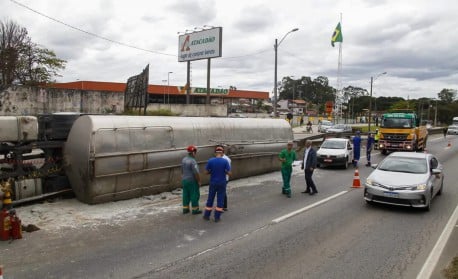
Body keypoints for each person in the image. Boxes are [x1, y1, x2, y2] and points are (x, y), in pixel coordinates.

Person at [203, 146, 231, 222]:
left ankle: (206, 215)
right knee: (220, 200)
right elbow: (229, 173)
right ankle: (217, 217)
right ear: (222, 153)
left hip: (213, 183)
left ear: (215, 153)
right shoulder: (225, 161)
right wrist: (224, 171)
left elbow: (205, 172)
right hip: (222, 183)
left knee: (210, 198)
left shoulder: (210, 161)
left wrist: (211, 171)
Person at [181, 145, 202, 215]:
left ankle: (185, 209)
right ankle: (195, 210)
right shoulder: (193, 161)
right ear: (193, 152)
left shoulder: (184, 159)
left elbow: (182, 170)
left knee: (185, 194)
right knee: (194, 194)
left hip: (184, 180)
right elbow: (196, 173)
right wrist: (199, 181)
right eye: (195, 152)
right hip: (192, 181)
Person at [216, 145, 231, 211]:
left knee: (221, 192)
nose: (218, 153)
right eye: (217, 151)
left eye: (220, 151)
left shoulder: (226, 159)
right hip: (219, 178)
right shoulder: (218, 158)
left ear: (223, 152)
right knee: (222, 192)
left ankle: (222, 207)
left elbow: (228, 171)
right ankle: (223, 206)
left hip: (224, 178)